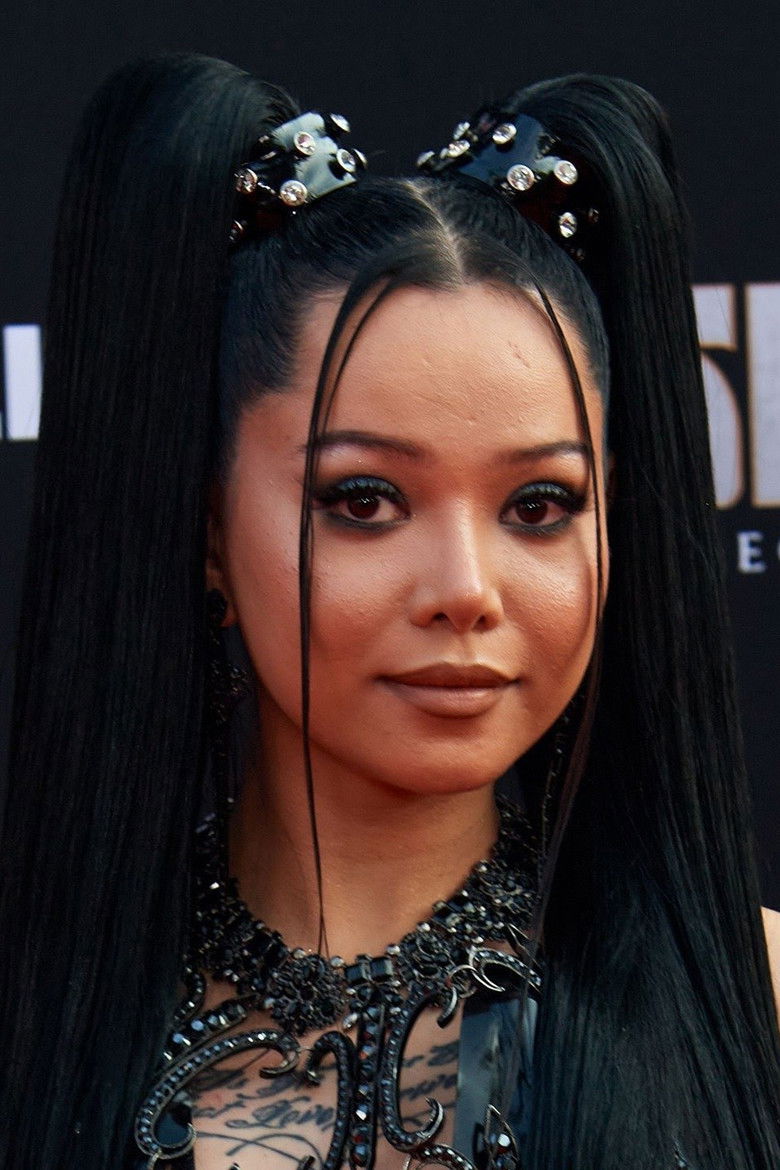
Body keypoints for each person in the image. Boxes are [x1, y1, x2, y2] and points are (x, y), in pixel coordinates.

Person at [0, 52, 777, 1170]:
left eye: (540, 505)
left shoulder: (756, 1004)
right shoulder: (42, 1023)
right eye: (363, 499)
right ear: (210, 529)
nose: (466, 588)